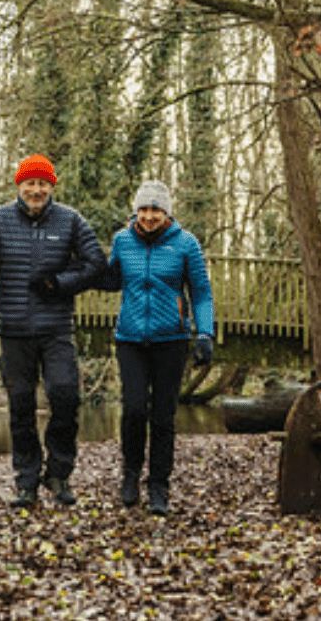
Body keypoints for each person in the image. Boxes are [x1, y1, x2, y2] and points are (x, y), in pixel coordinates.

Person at [0, 153, 107, 508]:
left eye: (42, 183)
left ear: (51, 186)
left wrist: (58, 282)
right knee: (20, 407)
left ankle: (58, 473)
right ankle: (26, 481)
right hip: (15, 329)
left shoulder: (70, 221)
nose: (35, 190)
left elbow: (95, 264)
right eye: (29, 183)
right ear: (19, 186)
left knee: (66, 397)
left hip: (56, 329)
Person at [93, 180, 214, 516]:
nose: (149, 216)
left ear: (166, 212)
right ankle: (131, 475)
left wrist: (205, 334)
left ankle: (159, 486)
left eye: (156, 209)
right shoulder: (122, 240)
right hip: (130, 339)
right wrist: (86, 266)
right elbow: (112, 279)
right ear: (136, 211)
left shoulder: (186, 244)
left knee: (163, 418)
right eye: (144, 209)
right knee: (133, 410)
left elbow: (201, 292)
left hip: (171, 341)